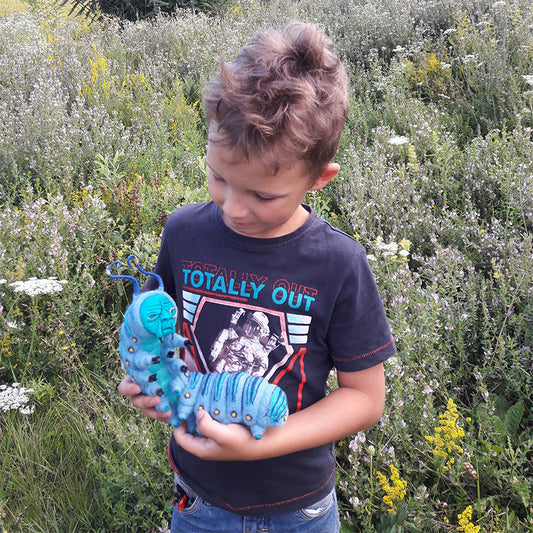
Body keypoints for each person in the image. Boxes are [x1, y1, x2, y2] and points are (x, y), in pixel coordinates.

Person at [119, 21, 395, 533]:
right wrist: (154, 378)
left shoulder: (339, 263)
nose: (234, 209)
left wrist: (265, 440)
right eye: (220, 178)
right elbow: (168, 338)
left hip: (298, 508)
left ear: (318, 178)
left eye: (263, 196)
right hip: (198, 500)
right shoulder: (183, 233)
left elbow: (364, 397)